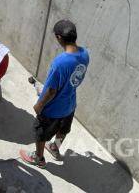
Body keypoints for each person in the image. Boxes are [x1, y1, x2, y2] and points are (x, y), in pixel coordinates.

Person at [20, 19, 89, 168]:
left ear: (59, 38)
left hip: (53, 109)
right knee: (63, 129)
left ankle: (39, 158)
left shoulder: (60, 63)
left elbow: (51, 90)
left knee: (40, 132)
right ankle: (54, 147)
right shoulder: (85, 54)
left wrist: (39, 105)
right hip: (70, 104)